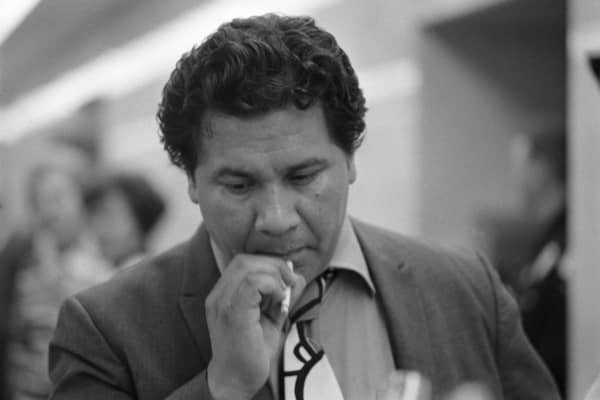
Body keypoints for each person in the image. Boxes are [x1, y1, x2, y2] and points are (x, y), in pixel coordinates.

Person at [48, 14, 560, 400]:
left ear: (350, 159)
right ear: (191, 182)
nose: (276, 218)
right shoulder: (106, 330)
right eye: (239, 185)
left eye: (303, 176)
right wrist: (221, 387)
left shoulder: (466, 291)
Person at [3, 159, 112, 400]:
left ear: (80, 198)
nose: (50, 212)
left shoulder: (105, 249)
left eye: (58, 198)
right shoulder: (21, 256)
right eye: (40, 202)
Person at [512, 130, 568, 396]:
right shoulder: (543, 238)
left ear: (542, 169)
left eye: (521, 165)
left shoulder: (569, 237)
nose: (516, 178)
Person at [85, 172, 166, 268]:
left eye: (107, 214)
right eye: (92, 216)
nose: (97, 227)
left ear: (137, 217)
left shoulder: (146, 273)